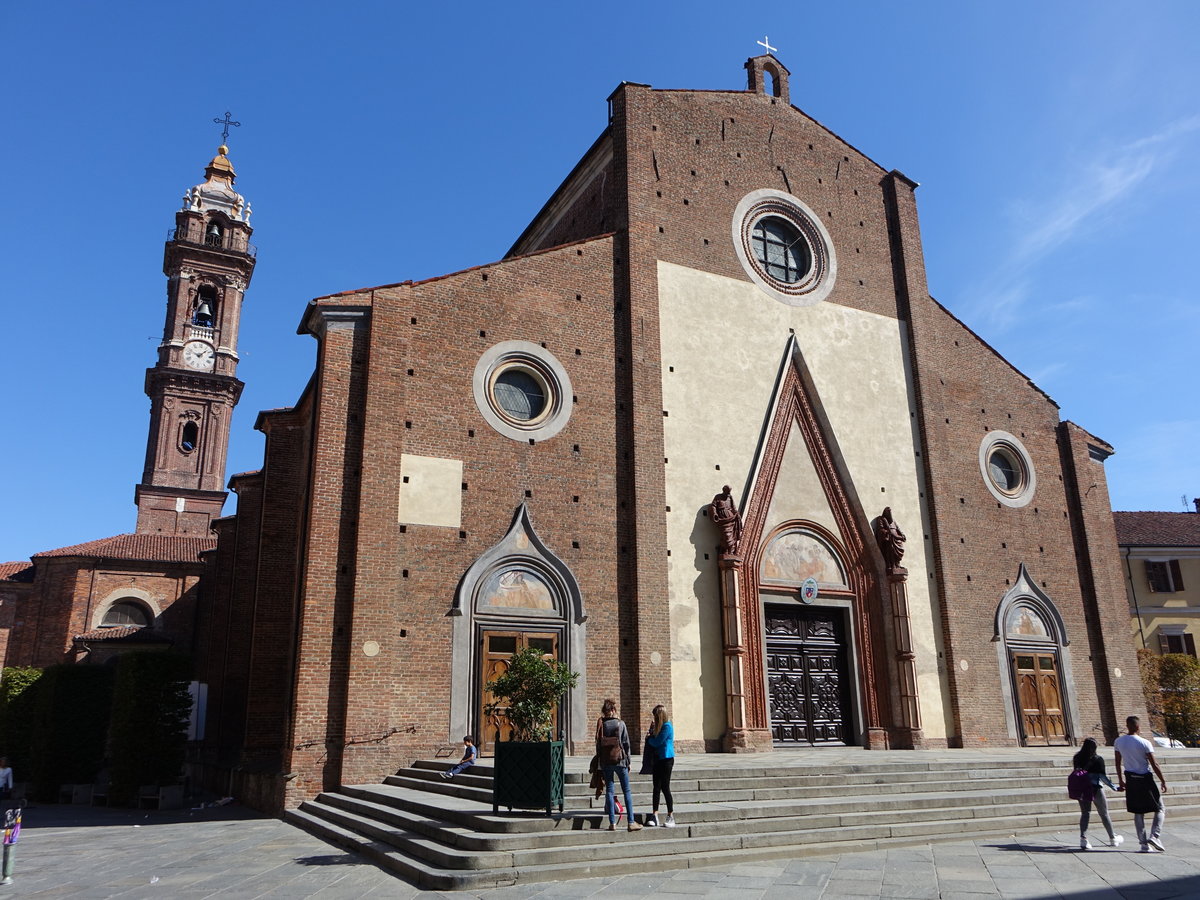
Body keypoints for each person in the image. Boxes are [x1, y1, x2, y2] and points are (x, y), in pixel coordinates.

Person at [1115, 715, 1168, 852]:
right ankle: (1155, 836)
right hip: (1145, 778)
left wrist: (1121, 780)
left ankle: (1143, 844)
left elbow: (1117, 762)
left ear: (1127, 725)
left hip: (1131, 779)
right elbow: (1154, 763)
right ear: (1138, 727)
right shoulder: (1144, 742)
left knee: (1138, 812)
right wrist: (1162, 780)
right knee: (1160, 808)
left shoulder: (1118, 742)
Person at [596, 699, 642, 832]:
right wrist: (628, 761)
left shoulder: (601, 724)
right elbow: (626, 744)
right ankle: (631, 822)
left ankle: (612, 823)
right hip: (620, 760)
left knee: (610, 791)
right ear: (613, 710)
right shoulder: (620, 724)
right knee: (626, 790)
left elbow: (598, 743)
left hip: (606, 761)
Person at [1072, 738, 1121, 850]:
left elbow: (1076, 772)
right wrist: (1114, 787)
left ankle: (1083, 838)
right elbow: (1103, 777)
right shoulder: (1098, 759)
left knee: (1085, 813)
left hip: (1082, 788)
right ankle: (1112, 838)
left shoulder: (1077, 757)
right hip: (1096, 788)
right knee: (1104, 813)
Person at [643, 704, 676, 827]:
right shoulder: (658, 727)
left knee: (665, 787)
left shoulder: (667, 727)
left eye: (655, 716)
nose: (654, 719)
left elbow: (657, 742)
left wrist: (649, 739)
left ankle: (670, 815)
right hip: (657, 759)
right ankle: (655, 814)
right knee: (656, 787)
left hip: (667, 759)